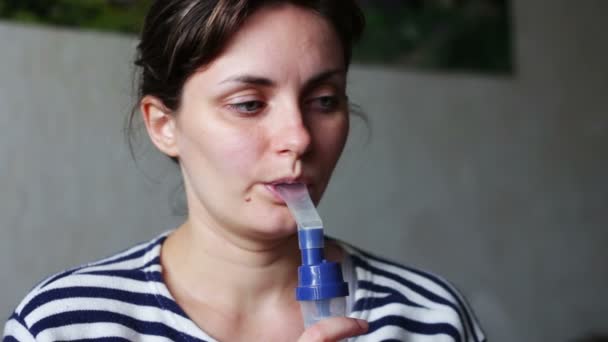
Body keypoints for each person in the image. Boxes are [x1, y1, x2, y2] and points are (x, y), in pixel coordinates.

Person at [3, 0, 486, 341]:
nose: (298, 137)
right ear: (164, 124)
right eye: (249, 104)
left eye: (323, 101)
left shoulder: (429, 317)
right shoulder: (64, 325)